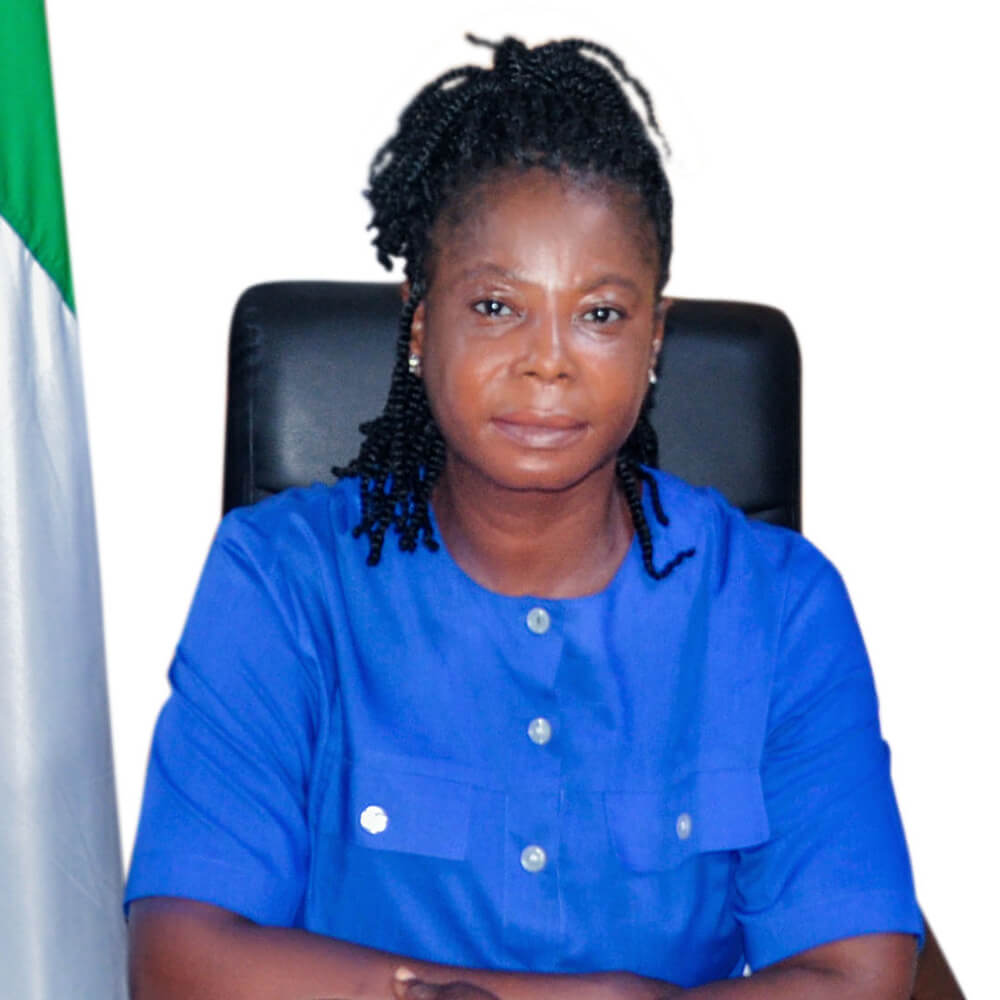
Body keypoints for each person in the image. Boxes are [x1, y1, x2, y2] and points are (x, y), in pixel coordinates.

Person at [125, 35, 923, 999]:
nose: (548, 361)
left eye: (600, 314)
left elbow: (857, 973)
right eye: (498, 306)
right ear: (421, 321)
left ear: (655, 337)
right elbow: (178, 961)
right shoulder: (283, 579)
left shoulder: (778, 604)